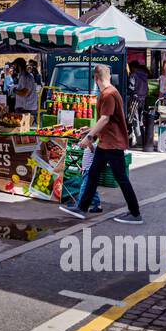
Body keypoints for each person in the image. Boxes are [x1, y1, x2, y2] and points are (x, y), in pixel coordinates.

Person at [59, 64, 143, 224]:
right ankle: (82, 208)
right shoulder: (110, 92)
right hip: (106, 143)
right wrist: (91, 129)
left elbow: (105, 119)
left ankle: (135, 213)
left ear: (95, 79)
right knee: (93, 175)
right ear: (109, 76)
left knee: (121, 178)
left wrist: (89, 137)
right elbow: (107, 121)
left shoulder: (108, 94)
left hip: (112, 144)